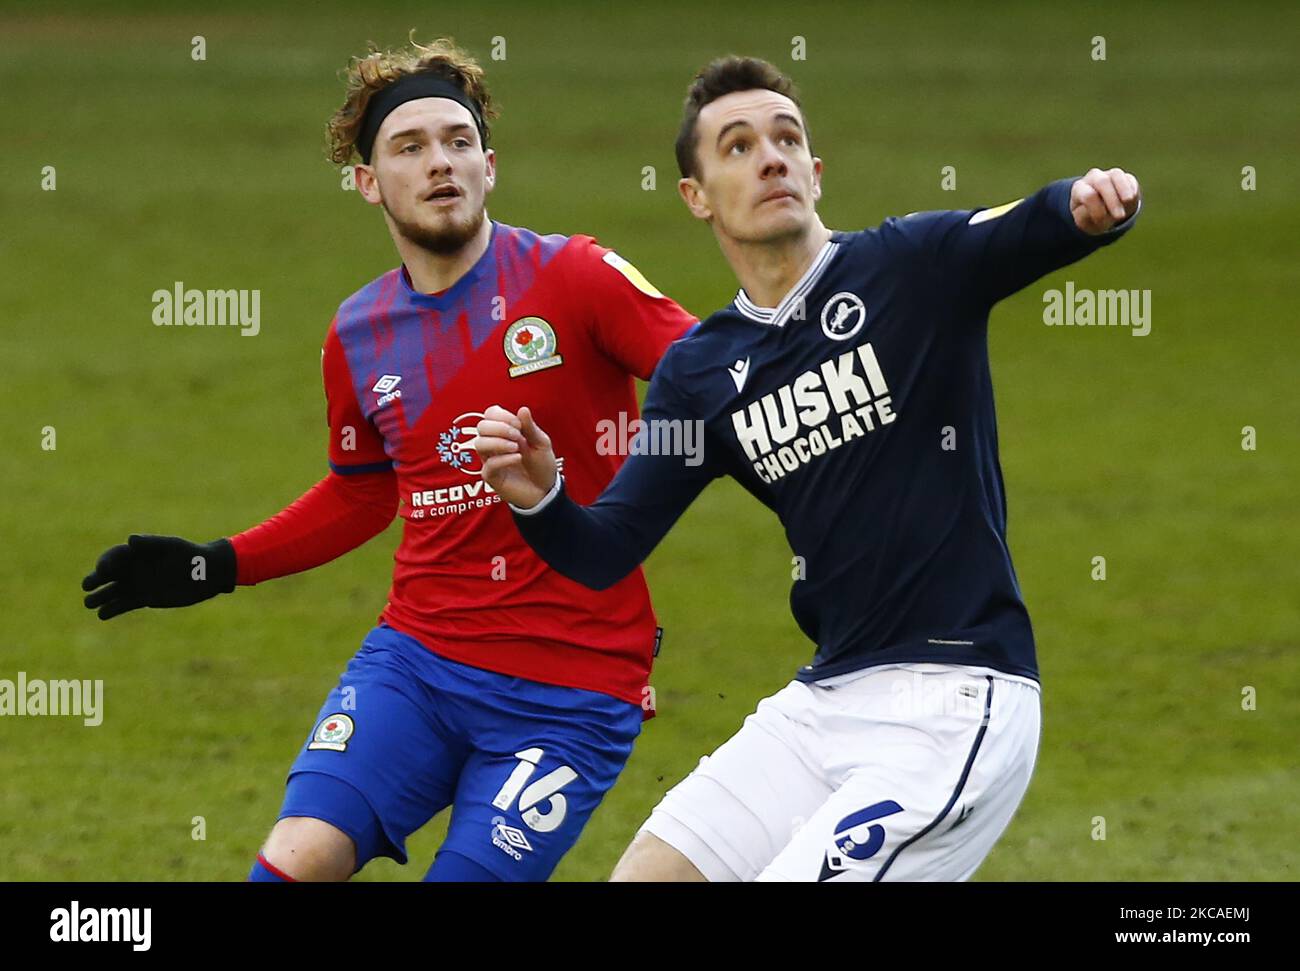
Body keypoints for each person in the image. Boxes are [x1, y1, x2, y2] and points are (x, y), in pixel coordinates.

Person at [473, 55, 1141, 881]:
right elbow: (609, 546)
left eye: (787, 139)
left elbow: (1021, 227)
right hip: (824, 700)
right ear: (697, 195)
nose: (771, 158)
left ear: (816, 173)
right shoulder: (700, 372)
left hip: (957, 696)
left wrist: (1087, 206)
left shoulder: (911, 268)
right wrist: (542, 499)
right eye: (740, 146)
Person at [80, 37, 695, 882]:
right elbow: (362, 495)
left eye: (457, 141)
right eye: (409, 147)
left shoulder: (576, 277)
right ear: (369, 182)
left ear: (489, 165)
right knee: (293, 860)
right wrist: (214, 566)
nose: (438, 162)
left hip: (572, 687)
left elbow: (715, 377)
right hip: (418, 658)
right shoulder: (358, 332)